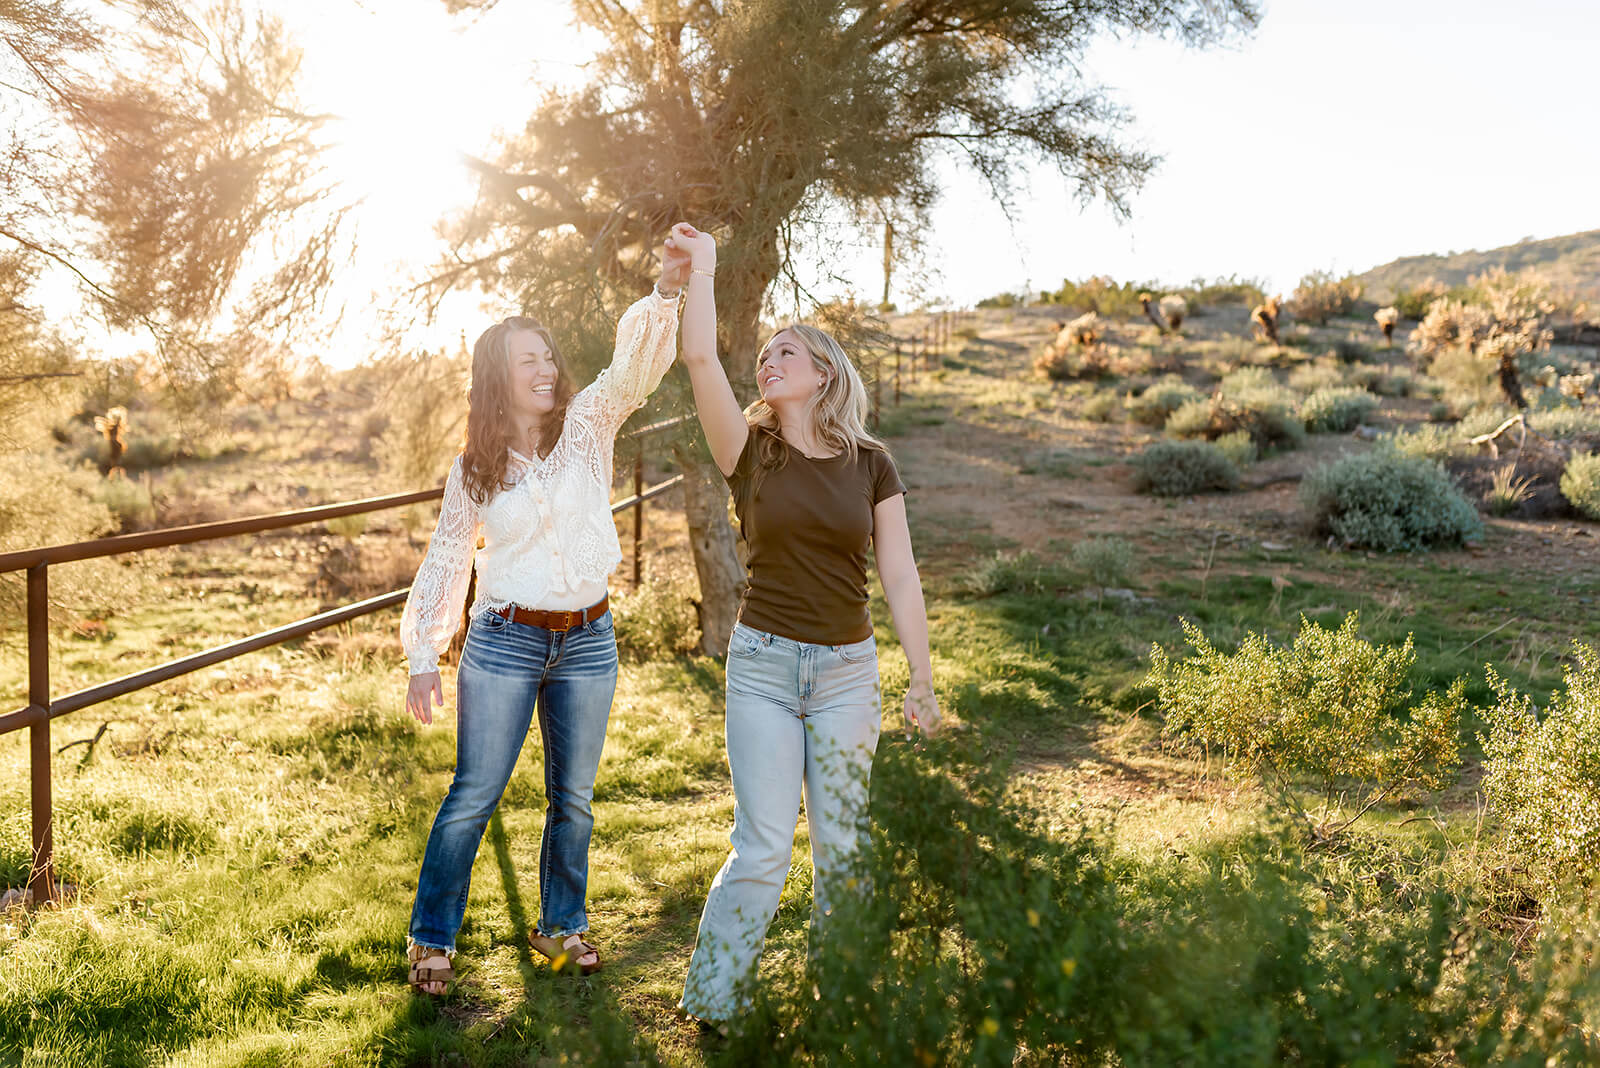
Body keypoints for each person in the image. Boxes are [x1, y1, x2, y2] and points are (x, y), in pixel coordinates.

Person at [665, 222, 942, 1025]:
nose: (768, 361)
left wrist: (921, 676)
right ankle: (714, 1005)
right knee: (762, 847)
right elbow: (701, 360)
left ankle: (842, 1001)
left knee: (845, 851)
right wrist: (707, 266)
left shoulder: (872, 463)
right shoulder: (750, 452)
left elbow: (899, 572)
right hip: (763, 668)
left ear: (824, 374)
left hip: (850, 675)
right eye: (767, 354)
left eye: (786, 351)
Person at [398, 237, 690, 995]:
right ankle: (432, 939)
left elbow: (633, 370)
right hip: (504, 642)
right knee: (474, 792)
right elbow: (446, 558)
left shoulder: (589, 427)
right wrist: (424, 655)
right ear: (498, 376)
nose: (546, 369)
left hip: (589, 638)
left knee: (575, 798)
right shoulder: (474, 468)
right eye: (528, 360)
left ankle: (561, 928)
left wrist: (666, 289)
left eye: (549, 356)